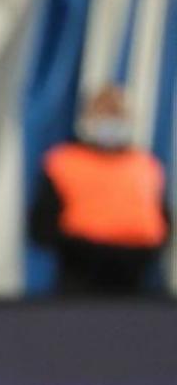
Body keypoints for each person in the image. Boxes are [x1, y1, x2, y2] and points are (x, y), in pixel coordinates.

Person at [30, 85, 170, 295]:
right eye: (103, 113)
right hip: (80, 277)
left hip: (137, 280)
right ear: (87, 118)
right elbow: (41, 226)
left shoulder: (147, 166)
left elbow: (163, 221)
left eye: (116, 113)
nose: (110, 121)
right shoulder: (63, 163)